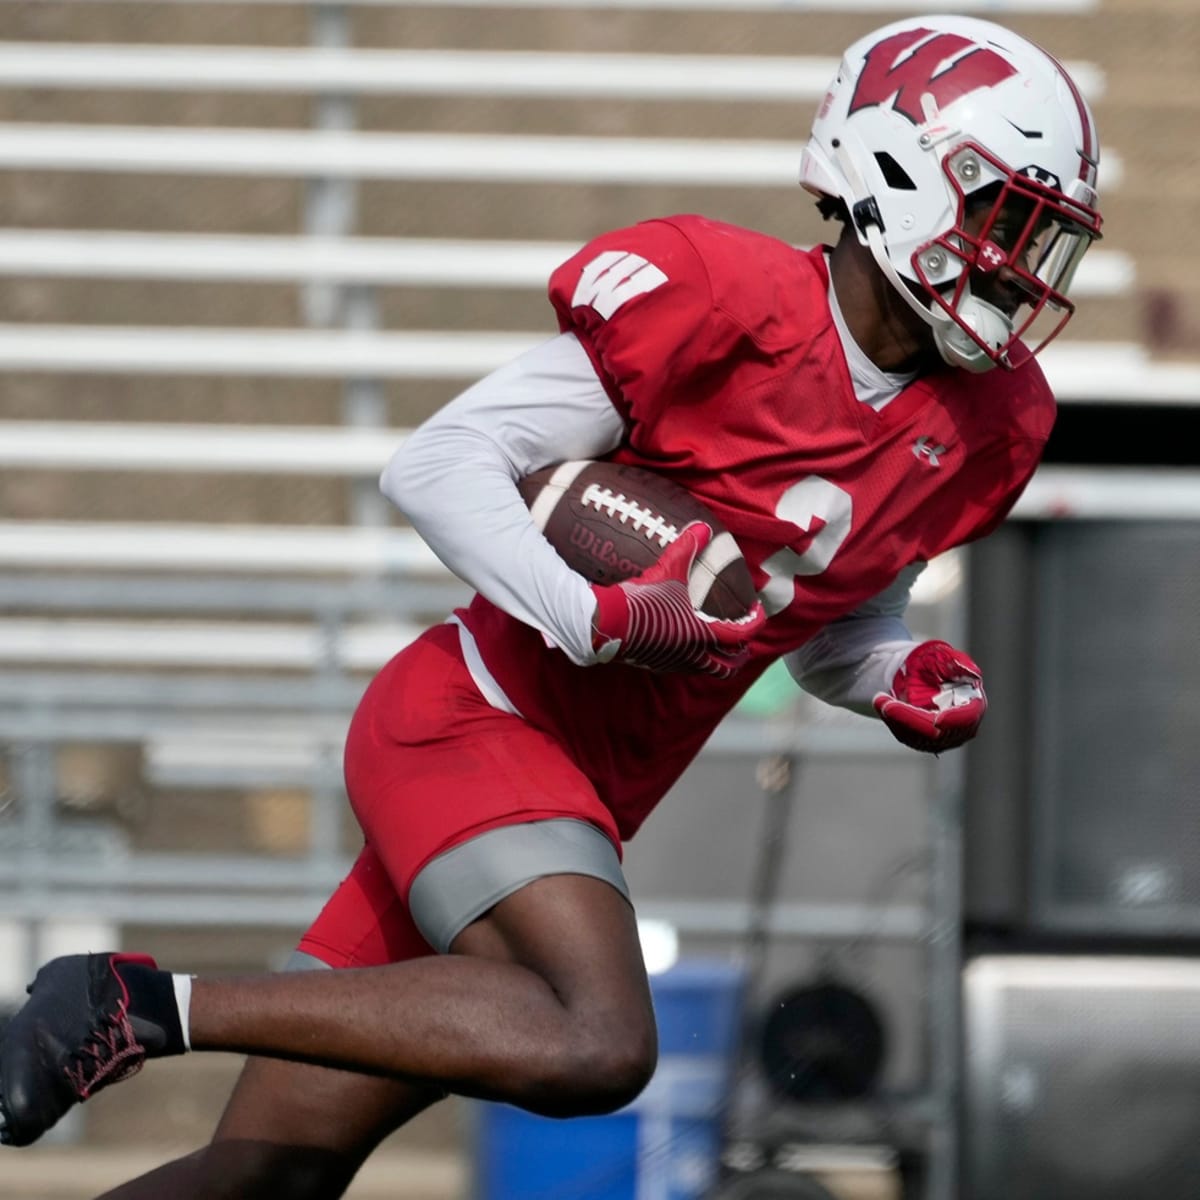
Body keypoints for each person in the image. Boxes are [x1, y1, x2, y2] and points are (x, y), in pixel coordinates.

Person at [0, 14, 1102, 1198]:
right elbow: (437, 464)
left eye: (1039, 235)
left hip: (564, 803)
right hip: (477, 722)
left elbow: (828, 623)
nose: (1020, 262)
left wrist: (897, 675)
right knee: (597, 1037)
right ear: (896, 173)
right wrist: (596, 612)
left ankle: (141, 1016)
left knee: (263, 1177)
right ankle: (137, 1001)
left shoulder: (992, 427)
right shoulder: (722, 298)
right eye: (1005, 218)